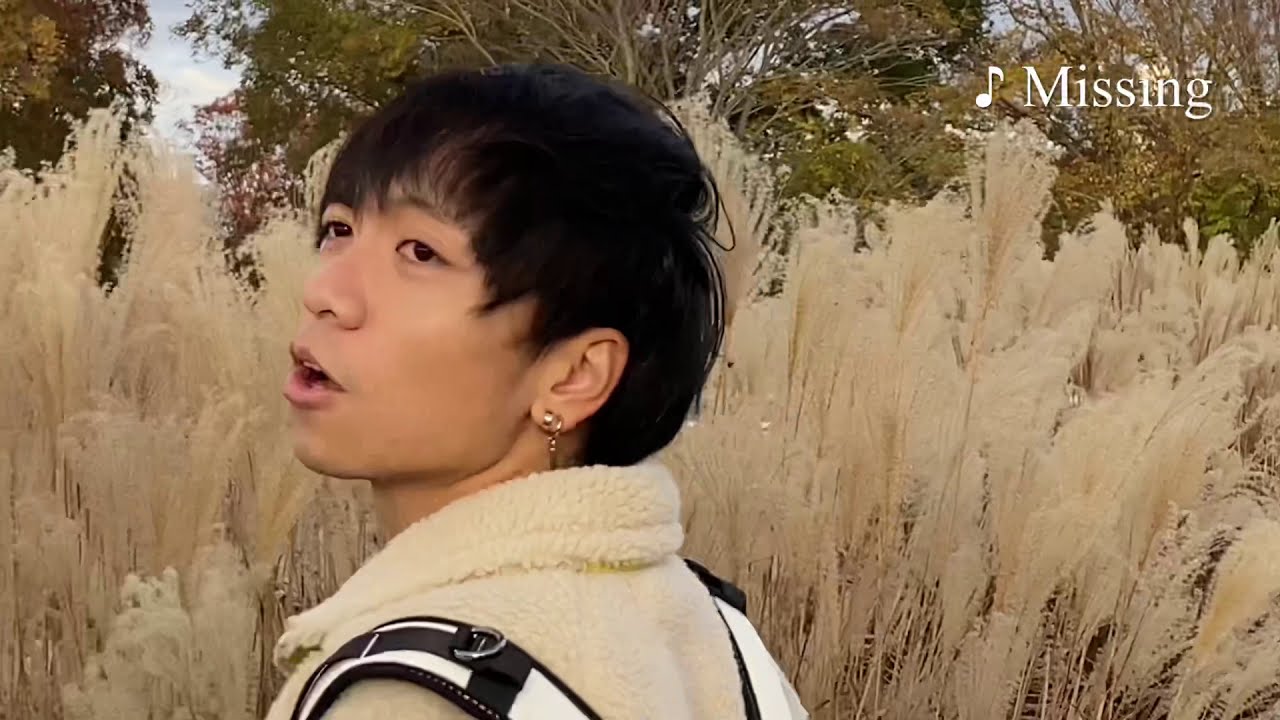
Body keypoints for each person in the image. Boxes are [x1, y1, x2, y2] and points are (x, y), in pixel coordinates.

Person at [265, 62, 806, 720]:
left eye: (421, 252)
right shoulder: (722, 641)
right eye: (339, 230)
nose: (324, 291)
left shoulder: (416, 696)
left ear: (574, 376)